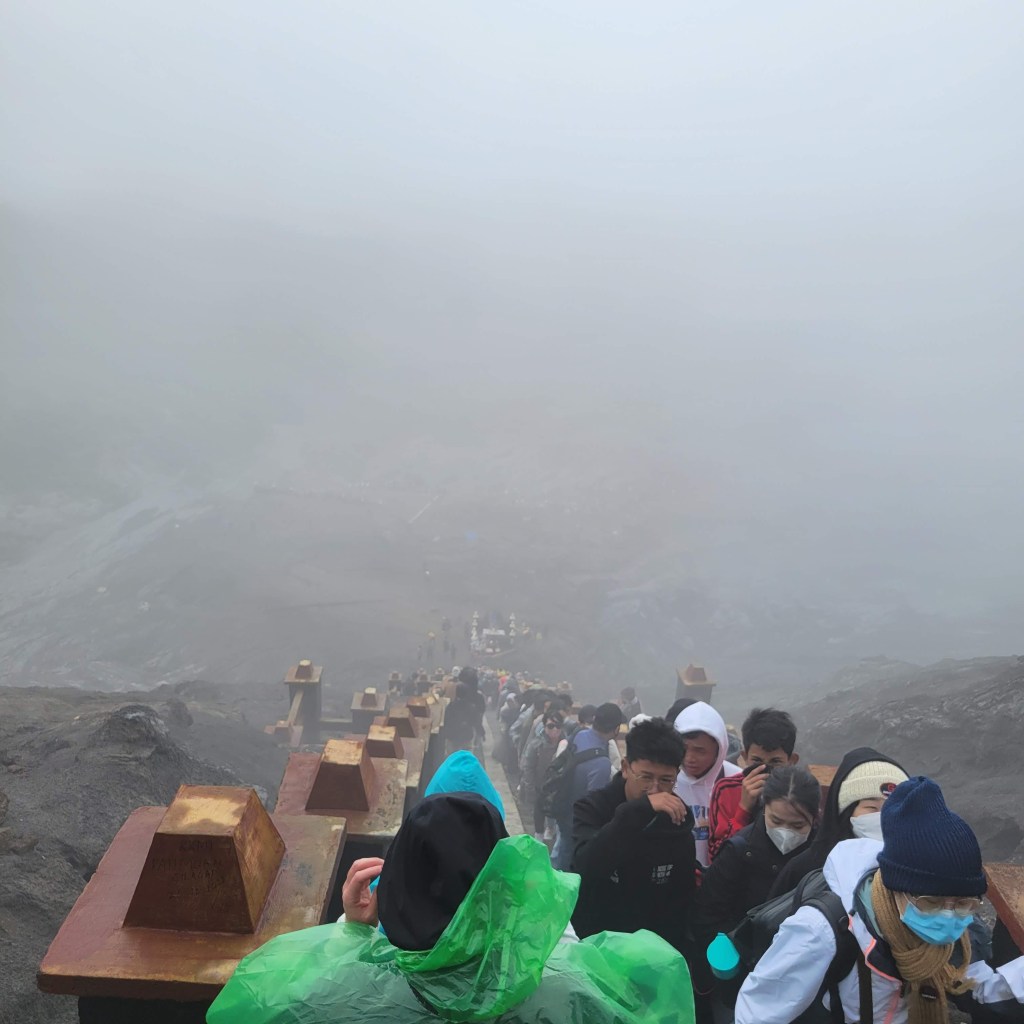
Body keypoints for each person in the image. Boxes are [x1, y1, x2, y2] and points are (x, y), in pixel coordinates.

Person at [209, 793, 698, 1024]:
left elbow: (252, 1005)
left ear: (395, 888)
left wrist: (350, 935)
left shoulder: (337, 993)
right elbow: (660, 985)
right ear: (510, 890)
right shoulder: (573, 993)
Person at [734, 776, 1024, 1024]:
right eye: (930, 902)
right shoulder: (823, 932)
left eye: (963, 904)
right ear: (897, 887)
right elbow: (757, 1013)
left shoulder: (952, 932)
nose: (948, 916)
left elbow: (976, 984)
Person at [694, 766, 821, 1017]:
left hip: (799, 978)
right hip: (743, 975)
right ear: (763, 808)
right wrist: (739, 950)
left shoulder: (820, 854)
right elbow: (707, 914)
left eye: (797, 825)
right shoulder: (739, 850)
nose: (786, 832)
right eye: (776, 820)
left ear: (815, 818)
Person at [571, 718, 697, 953]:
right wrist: (637, 812)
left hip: (650, 953)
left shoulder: (677, 821)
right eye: (646, 777)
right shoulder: (592, 808)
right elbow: (585, 867)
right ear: (626, 767)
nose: (655, 789)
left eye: (666, 780)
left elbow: (682, 899)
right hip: (595, 946)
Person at [770, 748, 908, 897]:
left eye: (894, 807)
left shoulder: (919, 870)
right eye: (871, 807)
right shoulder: (806, 870)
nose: (882, 817)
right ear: (848, 811)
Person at [707, 708, 800, 861]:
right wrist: (743, 809)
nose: (765, 769)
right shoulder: (726, 789)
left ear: (791, 761)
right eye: (757, 761)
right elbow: (715, 854)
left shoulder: (800, 794)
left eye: (776, 762)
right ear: (744, 757)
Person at [550, 702, 624, 870]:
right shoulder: (602, 764)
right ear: (616, 729)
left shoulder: (579, 735)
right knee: (570, 860)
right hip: (576, 819)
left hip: (561, 805)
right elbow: (594, 804)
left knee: (562, 850)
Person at [672, 701, 742, 868]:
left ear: (719, 751)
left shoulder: (736, 781)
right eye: (684, 748)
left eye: (700, 751)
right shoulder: (666, 780)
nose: (689, 758)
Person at [520, 710, 564, 842]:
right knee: (539, 809)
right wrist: (530, 788)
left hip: (558, 785)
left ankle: (550, 828)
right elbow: (529, 768)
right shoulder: (536, 745)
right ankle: (538, 833)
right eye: (550, 726)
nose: (554, 730)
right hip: (540, 784)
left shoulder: (567, 744)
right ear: (544, 727)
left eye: (558, 726)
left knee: (554, 809)